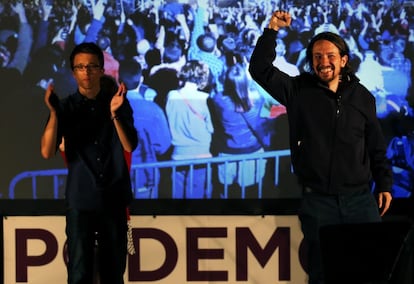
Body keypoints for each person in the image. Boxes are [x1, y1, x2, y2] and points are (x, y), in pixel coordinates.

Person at [249, 11, 393, 284]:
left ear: (344, 60)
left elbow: (375, 144)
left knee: (370, 273)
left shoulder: (363, 97)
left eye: (330, 56)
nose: (323, 62)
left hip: (362, 202)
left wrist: (384, 183)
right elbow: (260, 69)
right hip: (318, 203)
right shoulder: (298, 90)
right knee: (323, 274)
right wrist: (271, 31)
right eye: (317, 57)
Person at [40, 42, 138, 284]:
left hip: (113, 196)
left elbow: (129, 145)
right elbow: (46, 151)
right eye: (81, 67)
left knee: (113, 273)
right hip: (80, 198)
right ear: (74, 72)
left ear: (101, 70)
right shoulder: (65, 107)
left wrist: (114, 113)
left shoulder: (117, 102)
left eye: (92, 67)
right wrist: (53, 114)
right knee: (79, 273)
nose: (86, 72)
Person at [208, 63, 266, 198]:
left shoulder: (218, 100)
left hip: (227, 150)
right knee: (251, 191)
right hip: (252, 150)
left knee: (226, 191)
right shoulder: (256, 100)